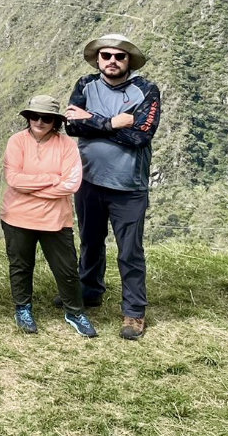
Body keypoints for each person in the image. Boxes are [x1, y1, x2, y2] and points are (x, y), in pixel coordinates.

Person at [65, 34, 162, 340]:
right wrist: (114, 122)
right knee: (90, 240)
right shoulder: (85, 85)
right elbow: (70, 125)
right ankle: (90, 291)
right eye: (106, 56)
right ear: (98, 59)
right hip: (89, 180)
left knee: (130, 250)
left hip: (129, 185)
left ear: (128, 61)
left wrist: (92, 121)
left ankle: (134, 312)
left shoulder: (146, 90)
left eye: (119, 57)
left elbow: (142, 135)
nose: (112, 61)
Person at [2, 95, 97, 337]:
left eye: (46, 118)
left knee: (66, 268)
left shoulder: (67, 145)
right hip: (17, 217)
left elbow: (72, 184)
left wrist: (31, 188)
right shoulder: (17, 142)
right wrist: (53, 179)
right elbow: (14, 179)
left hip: (55, 219)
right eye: (35, 116)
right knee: (21, 265)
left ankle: (74, 311)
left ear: (55, 121)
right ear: (28, 117)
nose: (40, 122)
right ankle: (23, 308)